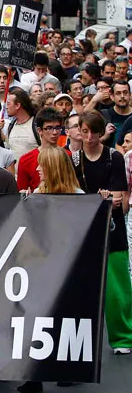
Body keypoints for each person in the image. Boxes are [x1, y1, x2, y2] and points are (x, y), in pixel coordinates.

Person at [71, 111, 132, 355]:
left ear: (101, 132)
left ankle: (123, 338)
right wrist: (100, 199)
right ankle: (82, 341)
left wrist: (98, 200)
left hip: (112, 228)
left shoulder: (114, 158)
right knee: (82, 287)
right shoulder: (74, 160)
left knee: (117, 286)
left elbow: (118, 200)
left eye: (93, 132)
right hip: (83, 228)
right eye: (84, 131)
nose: (89, 137)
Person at [16, 108, 63, 192]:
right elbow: (21, 192)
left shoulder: (67, 156)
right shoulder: (26, 160)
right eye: (49, 128)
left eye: (58, 127)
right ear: (39, 130)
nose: (55, 132)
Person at [5, 87, 38, 160]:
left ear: (17, 106)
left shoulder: (36, 125)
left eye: (8, 104)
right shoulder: (11, 125)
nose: (6, 107)